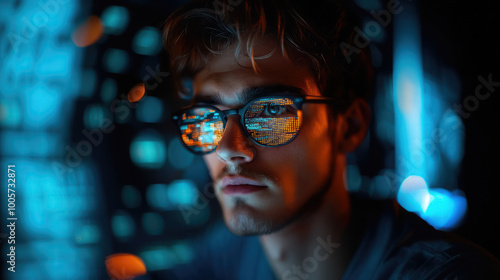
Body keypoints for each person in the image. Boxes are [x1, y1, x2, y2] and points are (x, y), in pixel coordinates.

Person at [138, 0, 500, 279]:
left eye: (269, 111)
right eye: (208, 117)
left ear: (348, 127)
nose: (230, 148)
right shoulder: (231, 251)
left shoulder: (444, 274)